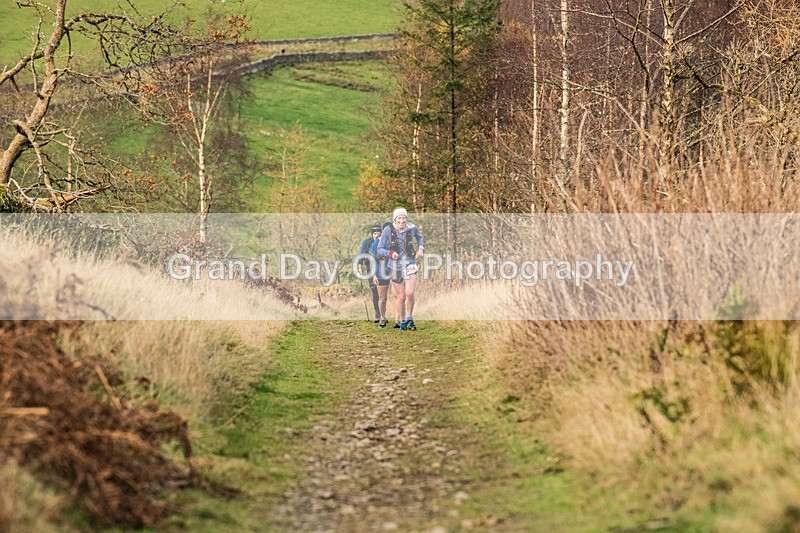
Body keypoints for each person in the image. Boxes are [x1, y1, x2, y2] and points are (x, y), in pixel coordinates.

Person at [377, 207, 424, 331]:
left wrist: (420, 249)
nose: (402, 220)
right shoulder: (388, 230)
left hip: (410, 263)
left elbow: (419, 238)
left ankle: (409, 318)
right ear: (395, 219)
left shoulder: (412, 228)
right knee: (401, 297)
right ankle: (402, 321)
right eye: (399, 218)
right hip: (395, 267)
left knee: (410, 293)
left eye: (404, 218)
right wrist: (390, 253)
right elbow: (380, 248)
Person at [370, 222, 394, 328]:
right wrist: (374, 275)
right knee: (383, 298)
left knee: (398, 296)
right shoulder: (377, 243)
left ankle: (400, 319)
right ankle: (382, 318)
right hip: (381, 273)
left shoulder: (396, 241)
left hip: (395, 272)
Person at [358, 224, 383, 322]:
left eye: (379, 233)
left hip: (382, 269)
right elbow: (362, 254)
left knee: (382, 292)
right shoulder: (367, 242)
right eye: (375, 233)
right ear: (372, 234)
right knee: (375, 291)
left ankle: (382, 314)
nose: (377, 235)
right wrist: (360, 265)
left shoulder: (383, 241)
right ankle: (377, 313)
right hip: (370, 268)